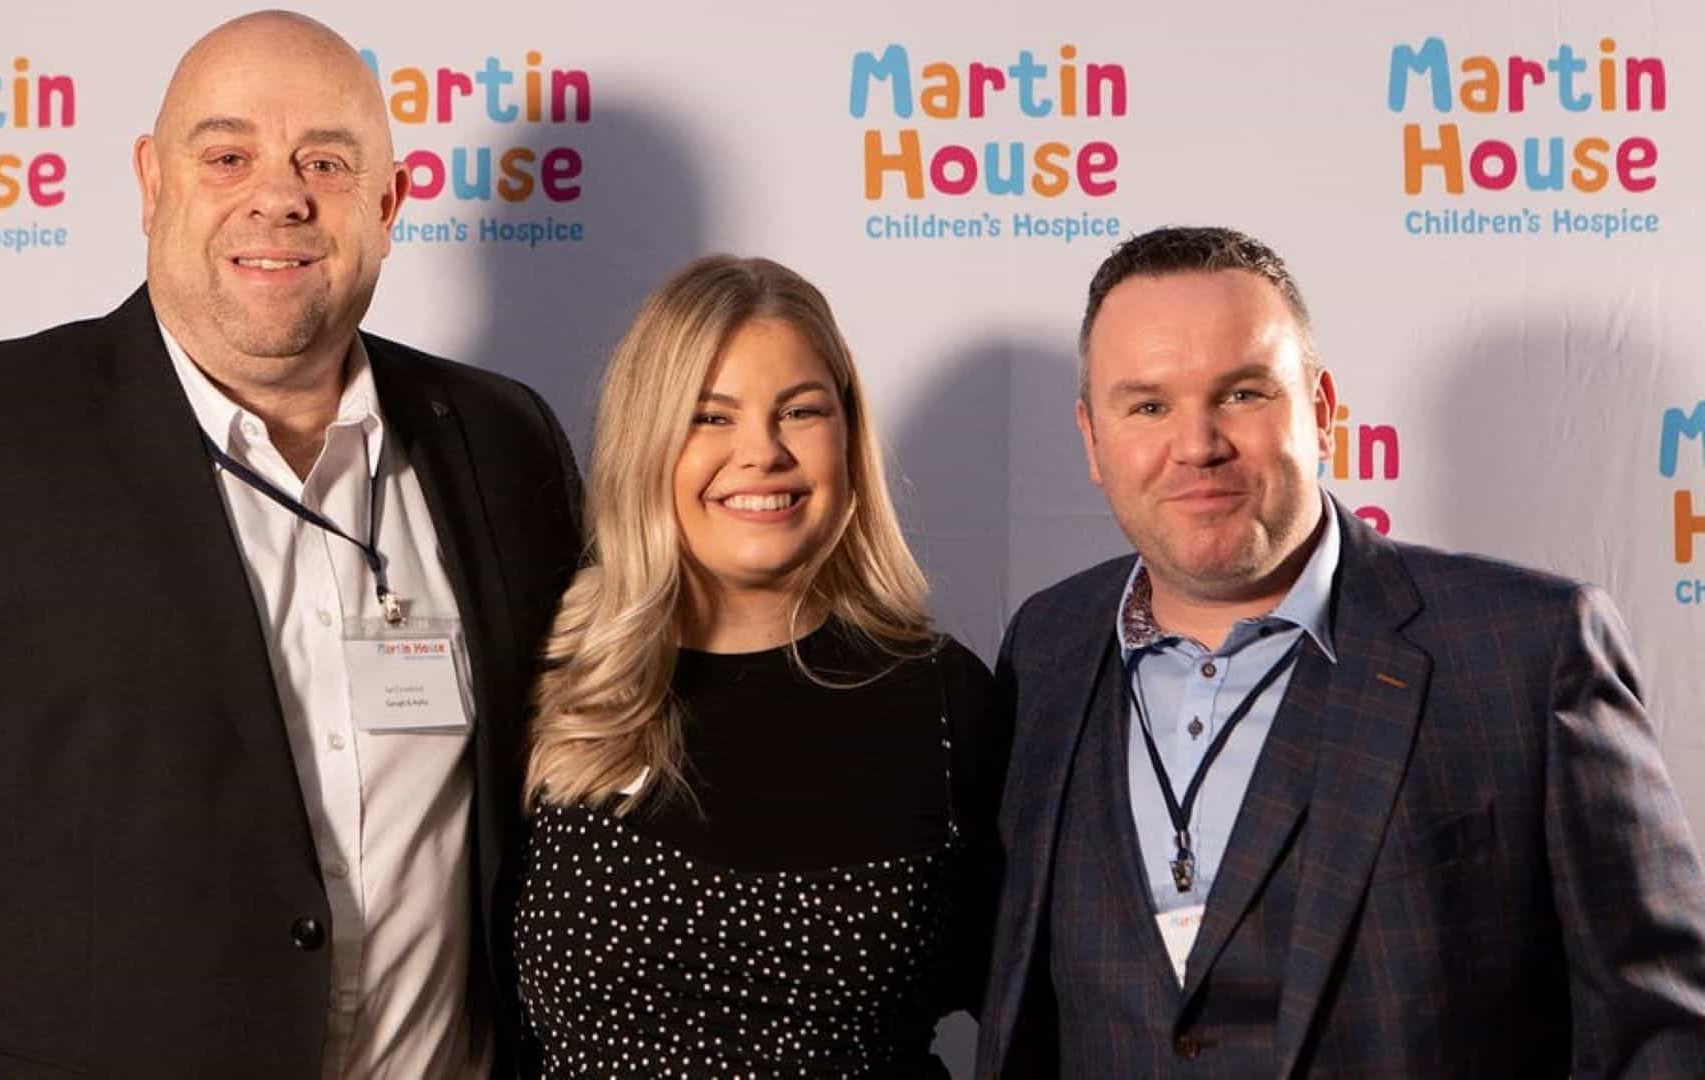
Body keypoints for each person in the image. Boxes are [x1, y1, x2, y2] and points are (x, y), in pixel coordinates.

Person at [0, 12, 579, 1077]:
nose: (280, 195)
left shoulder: (501, 439)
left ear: (389, 206)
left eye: (327, 162)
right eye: (228, 154)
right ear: (152, 183)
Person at [978, 225, 1705, 1076]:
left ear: (1321, 411)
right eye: (1148, 406)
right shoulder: (1048, 648)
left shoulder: (1526, 651)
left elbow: (1656, 1033)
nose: (1198, 444)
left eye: (1243, 394)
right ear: (1092, 440)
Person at [512, 254, 1008, 1076]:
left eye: (801, 411)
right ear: (647, 440)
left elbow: (1053, 1005)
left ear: (848, 435)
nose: (762, 453)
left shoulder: (947, 698)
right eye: (711, 417)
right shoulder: (546, 678)